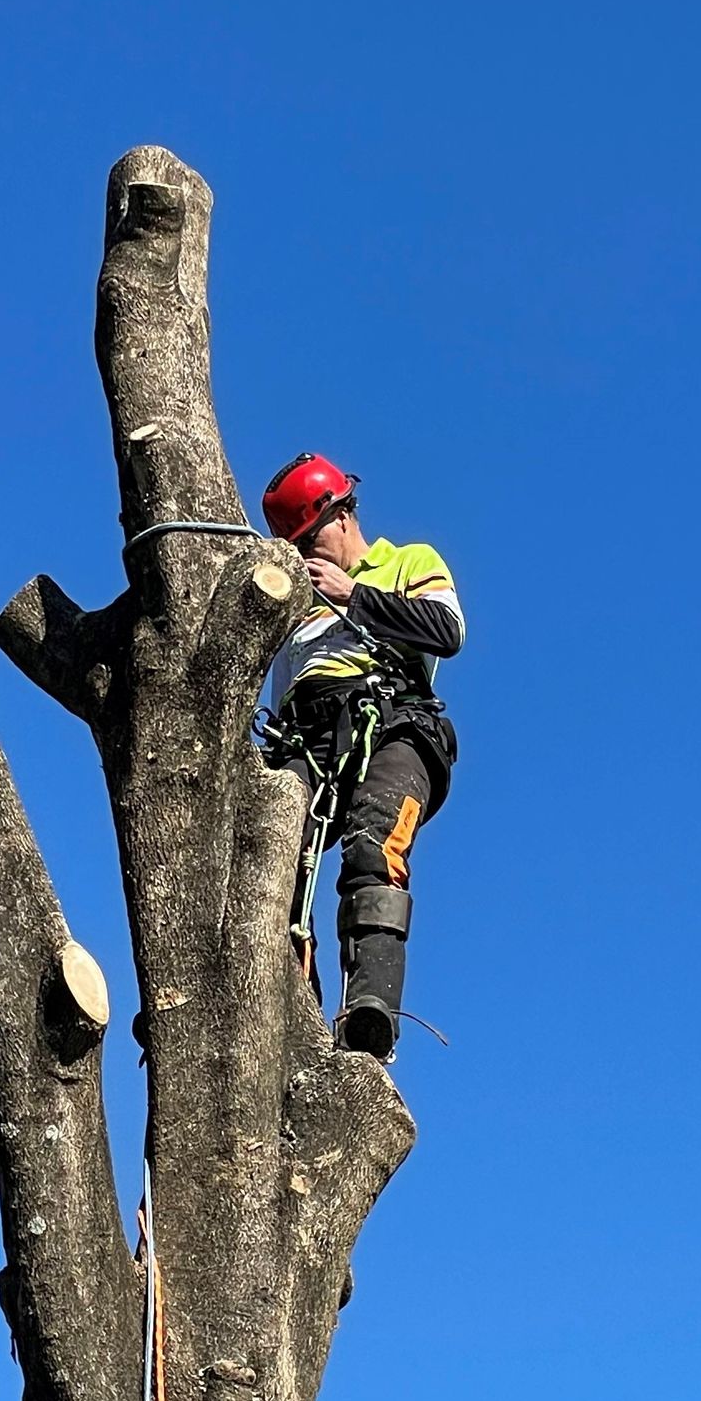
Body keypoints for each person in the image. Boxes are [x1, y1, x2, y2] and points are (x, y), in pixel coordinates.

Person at [259, 454, 465, 1060]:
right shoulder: (288, 606)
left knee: (374, 845)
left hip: (393, 718)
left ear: (343, 514)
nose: (305, 556)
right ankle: (292, 1010)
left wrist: (356, 596)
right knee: (269, 858)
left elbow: (447, 630)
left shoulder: (407, 562)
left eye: (310, 539)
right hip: (308, 736)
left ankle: (369, 1007)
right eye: (293, 547)